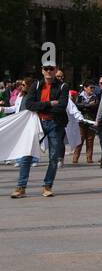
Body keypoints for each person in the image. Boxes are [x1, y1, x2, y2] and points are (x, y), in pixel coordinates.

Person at [11, 65, 70, 198]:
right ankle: (21, 187)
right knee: (27, 154)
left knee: (54, 157)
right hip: (37, 123)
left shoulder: (63, 86)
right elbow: (29, 105)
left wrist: (41, 107)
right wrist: (49, 104)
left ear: (56, 71)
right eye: (46, 69)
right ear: (42, 71)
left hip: (55, 123)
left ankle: (47, 186)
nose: (49, 71)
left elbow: (61, 106)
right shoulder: (36, 85)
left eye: (51, 69)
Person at [70, 83, 99, 163]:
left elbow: (95, 106)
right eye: (91, 87)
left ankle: (89, 158)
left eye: (93, 88)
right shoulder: (79, 96)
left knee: (90, 140)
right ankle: (75, 158)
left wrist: (85, 106)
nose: (92, 89)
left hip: (91, 120)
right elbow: (76, 106)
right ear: (85, 88)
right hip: (81, 120)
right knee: (80, 139)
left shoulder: (95, 97)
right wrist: (88, 105)